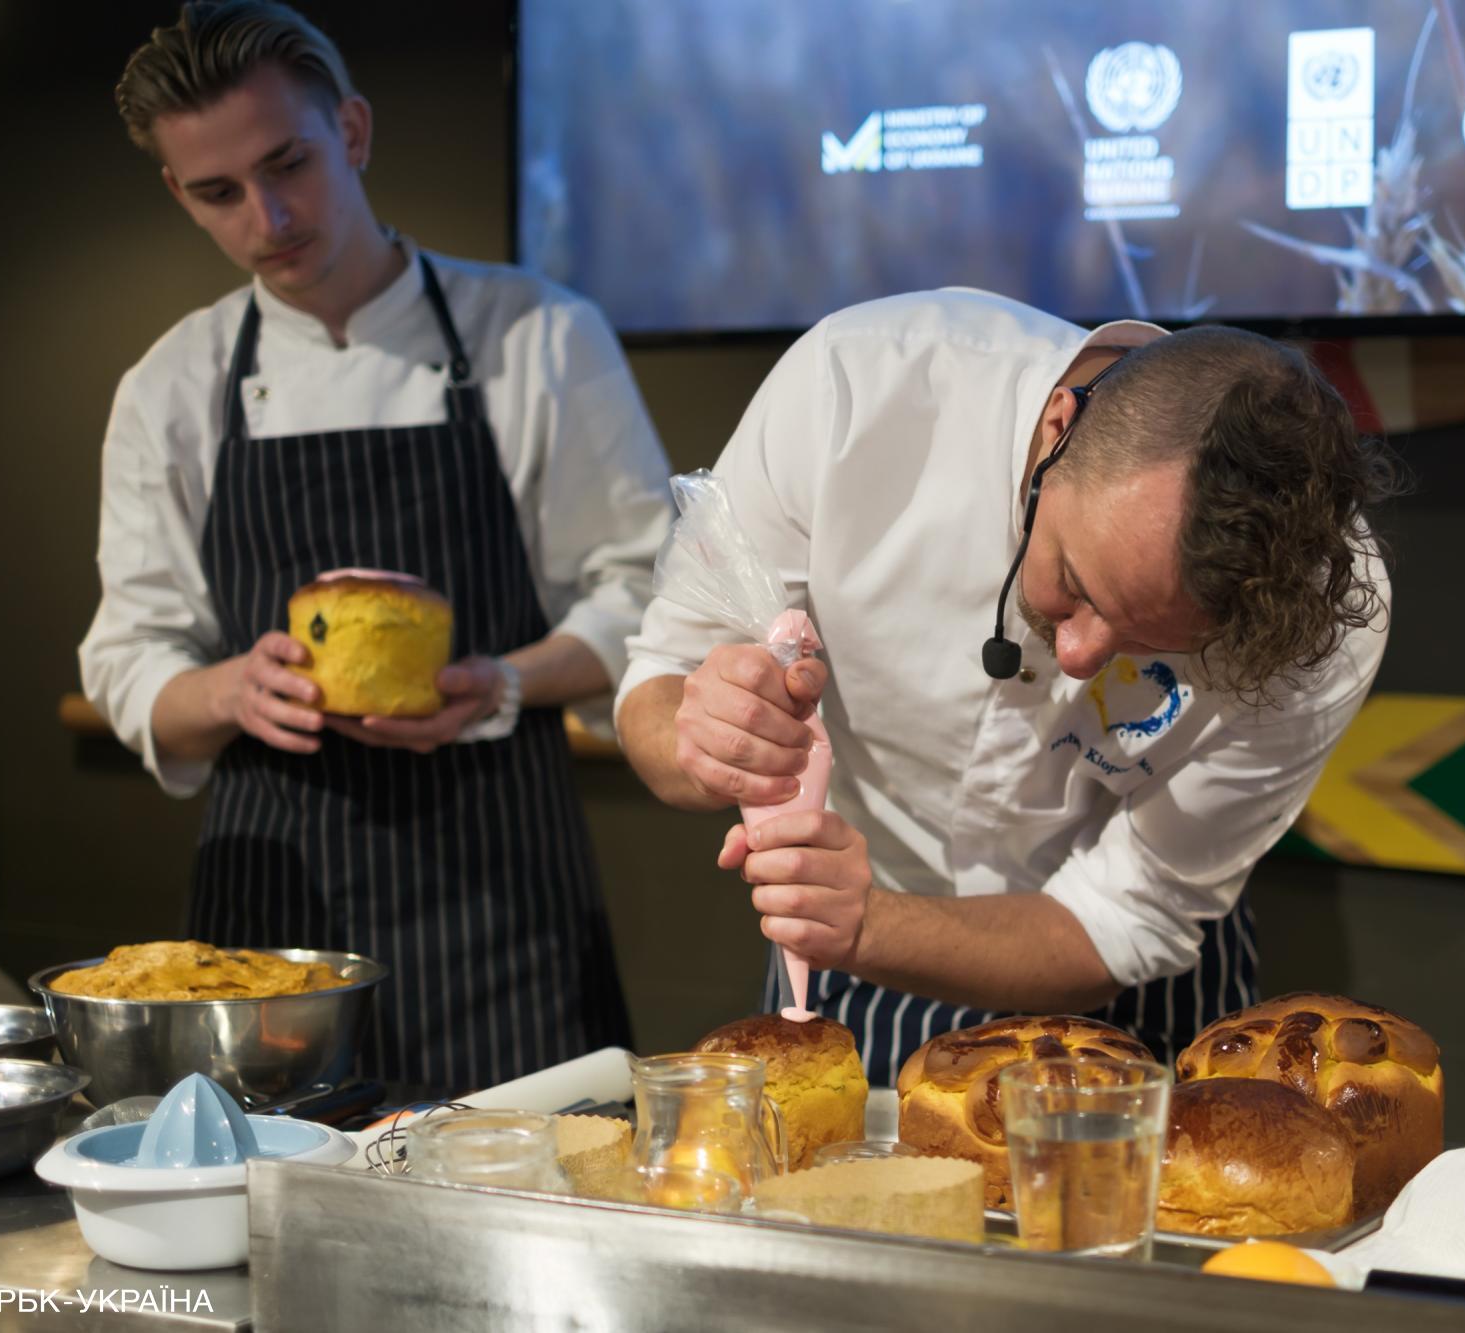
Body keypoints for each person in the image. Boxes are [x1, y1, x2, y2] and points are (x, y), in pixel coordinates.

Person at [79, 2, 673, 1091]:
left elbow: (646, 593)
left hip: (503, 892)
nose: (266, 216)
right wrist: (226, 692)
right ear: (178, 193)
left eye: (287, 164)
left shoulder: (537, 335)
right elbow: (128, 657)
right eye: (217, 193)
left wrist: (498, 680)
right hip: (273, 925)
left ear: (351, 131)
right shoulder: (173, 385)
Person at [616, 288, 1396, 1082]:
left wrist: (870, 925)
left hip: (1118, 996)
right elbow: (657, 686)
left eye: (1151, 644)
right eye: (1076, 583)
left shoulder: (1321, 617)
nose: (1084, 654)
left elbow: (1125, 913)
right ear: (1060, 428)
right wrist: (708, 735)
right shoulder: (853, 389)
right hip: (847, 938)